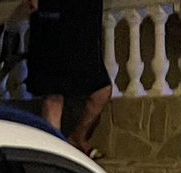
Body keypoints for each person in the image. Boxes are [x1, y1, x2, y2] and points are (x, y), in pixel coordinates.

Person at [17, 0, 112, 155]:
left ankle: (77, 138)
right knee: (54, 95)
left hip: (83, 27)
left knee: (102, 90)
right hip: (54, 24)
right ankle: (54, 153)